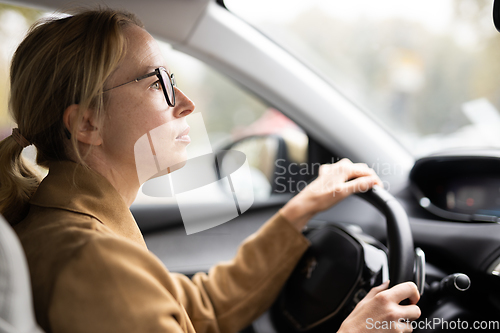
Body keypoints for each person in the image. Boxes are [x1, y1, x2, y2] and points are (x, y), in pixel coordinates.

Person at [0, 8, 420, 333]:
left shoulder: (66, 230)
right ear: (87, 122)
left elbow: (200, 308)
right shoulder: (94, 264)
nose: (185, 103)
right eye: (158, 84)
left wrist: (299, 210)